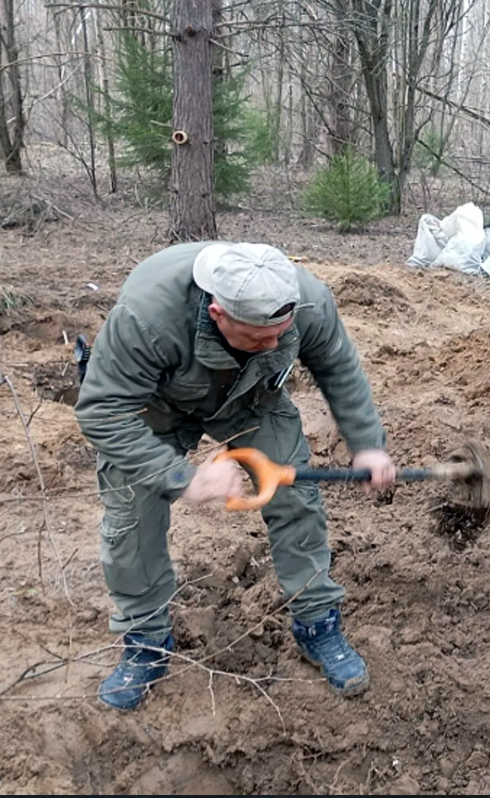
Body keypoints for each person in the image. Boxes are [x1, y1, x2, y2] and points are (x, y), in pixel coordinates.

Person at [74, 241, 397, 711]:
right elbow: (102, 411)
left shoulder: (307, 300)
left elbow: (338, 366)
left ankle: (317, 624)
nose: (272, 344)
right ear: (218, 312)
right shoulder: (148, 317)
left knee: (297, 499)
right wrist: (181, 477)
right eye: (257, 337)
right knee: (131, 519)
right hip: (155, 407)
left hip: (251, 399)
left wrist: (368, 444)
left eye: (279, 336)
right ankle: (146, 640)